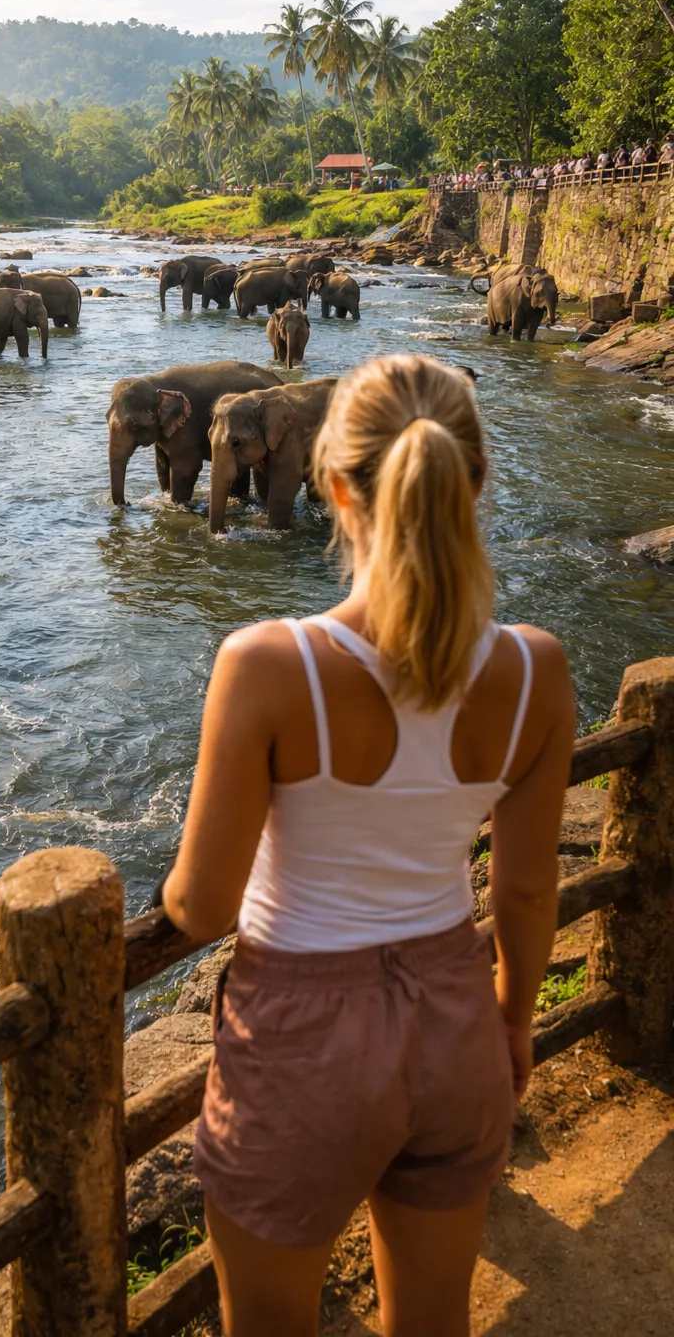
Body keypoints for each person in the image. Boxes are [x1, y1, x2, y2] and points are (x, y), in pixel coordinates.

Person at [161, 355, 576, 1337]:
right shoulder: (537, 669)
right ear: (475, 482)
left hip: (301, 1042)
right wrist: (512, 1024)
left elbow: (202, 907)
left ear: (334, 487)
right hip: (455, 1024)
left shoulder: (269, 664)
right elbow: (525, 891)